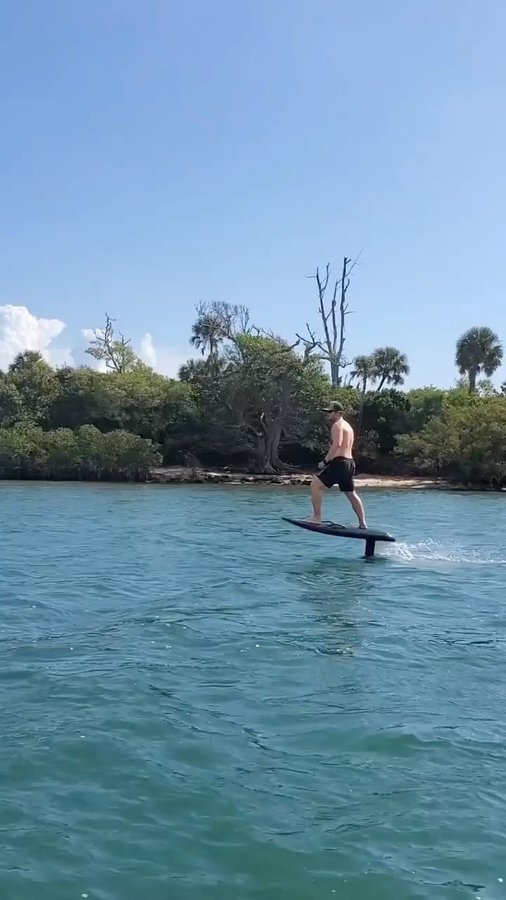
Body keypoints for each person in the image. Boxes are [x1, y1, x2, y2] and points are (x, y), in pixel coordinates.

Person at [307, 401, 367, 528]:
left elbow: (337, 444)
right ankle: (363, 523)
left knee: (315, 485)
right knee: (351, 493)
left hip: (340, 462)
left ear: (339, 413)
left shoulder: (337, 425)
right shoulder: (348, 427)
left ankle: (317, 518)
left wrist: (325, 461)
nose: (328, 414)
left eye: (330, 412)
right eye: (327, 412)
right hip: (350, 463)